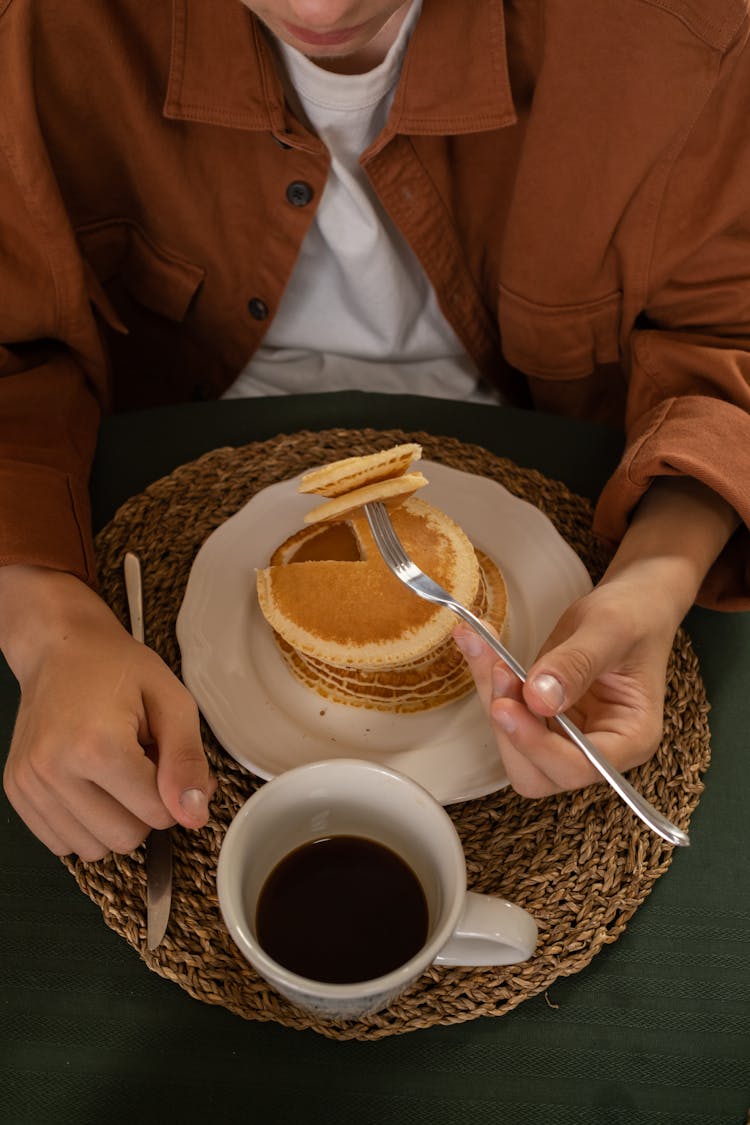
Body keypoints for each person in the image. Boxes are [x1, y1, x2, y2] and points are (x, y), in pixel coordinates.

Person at [1, 0, 748, 861]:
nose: (320, 8)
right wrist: (44, 619)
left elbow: (725, 337)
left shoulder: (687, 32)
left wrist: (657, 572)